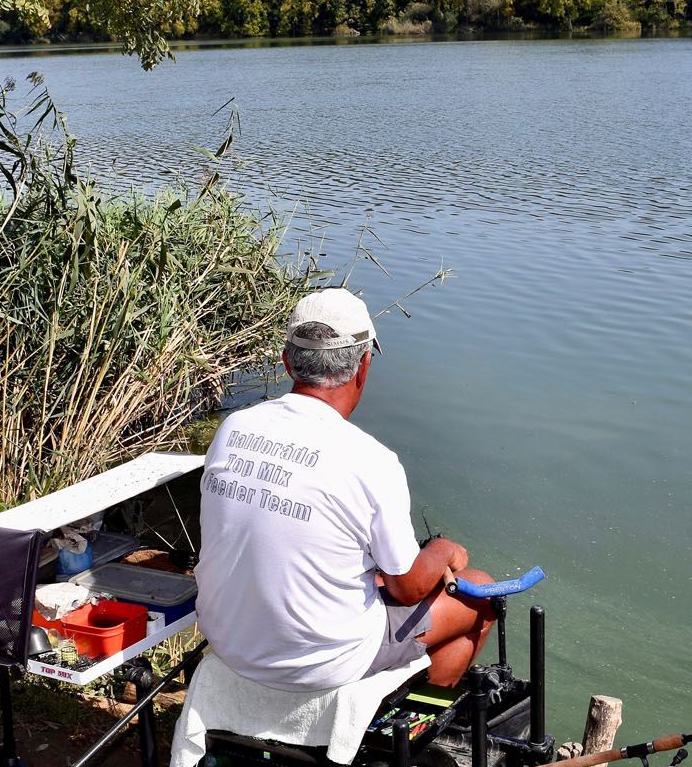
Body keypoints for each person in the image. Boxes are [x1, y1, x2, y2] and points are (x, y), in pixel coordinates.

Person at [196, 288, 495, 692]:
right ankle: (408, 722)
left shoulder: (234, 428)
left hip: (228, 640)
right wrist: (444, 550)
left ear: (288, 363)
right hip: (318, 663)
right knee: (482, 593)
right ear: (363, 366)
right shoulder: (370, 459)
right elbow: (407, 590)